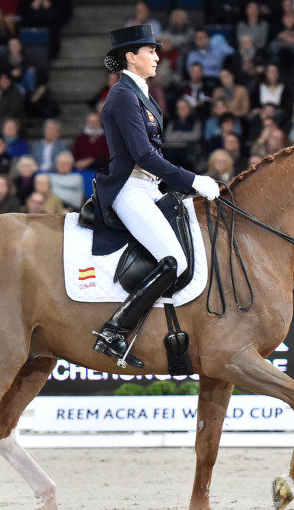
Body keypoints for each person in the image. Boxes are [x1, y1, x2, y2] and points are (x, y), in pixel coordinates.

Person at [92, 24, 219, 367]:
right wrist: (193, 180)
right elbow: (144, 156)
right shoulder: (122, 95)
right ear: (131, 58)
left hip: (150, 187)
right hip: (128, 188)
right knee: (173, 259)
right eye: (151, 51)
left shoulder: (143, 94)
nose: (157, 57)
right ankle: (115, 331)